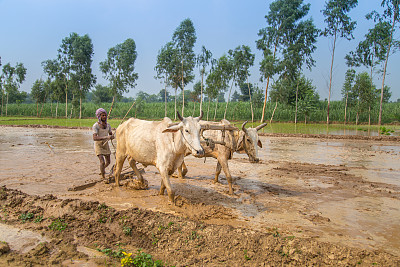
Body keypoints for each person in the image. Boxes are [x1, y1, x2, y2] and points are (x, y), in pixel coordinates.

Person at [93, 108, 114, 180]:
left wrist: (112, 136)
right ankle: (103, 177)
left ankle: (102, 170)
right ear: (99, 116)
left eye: (105, 115)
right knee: (102, 161)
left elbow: (111, 134)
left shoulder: (108, 125)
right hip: (98, 145)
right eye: (103, 115)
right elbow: (94, 138)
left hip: (106, 145)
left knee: (108, 162)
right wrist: (106, 137)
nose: (104, 117)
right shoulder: (96, 126)